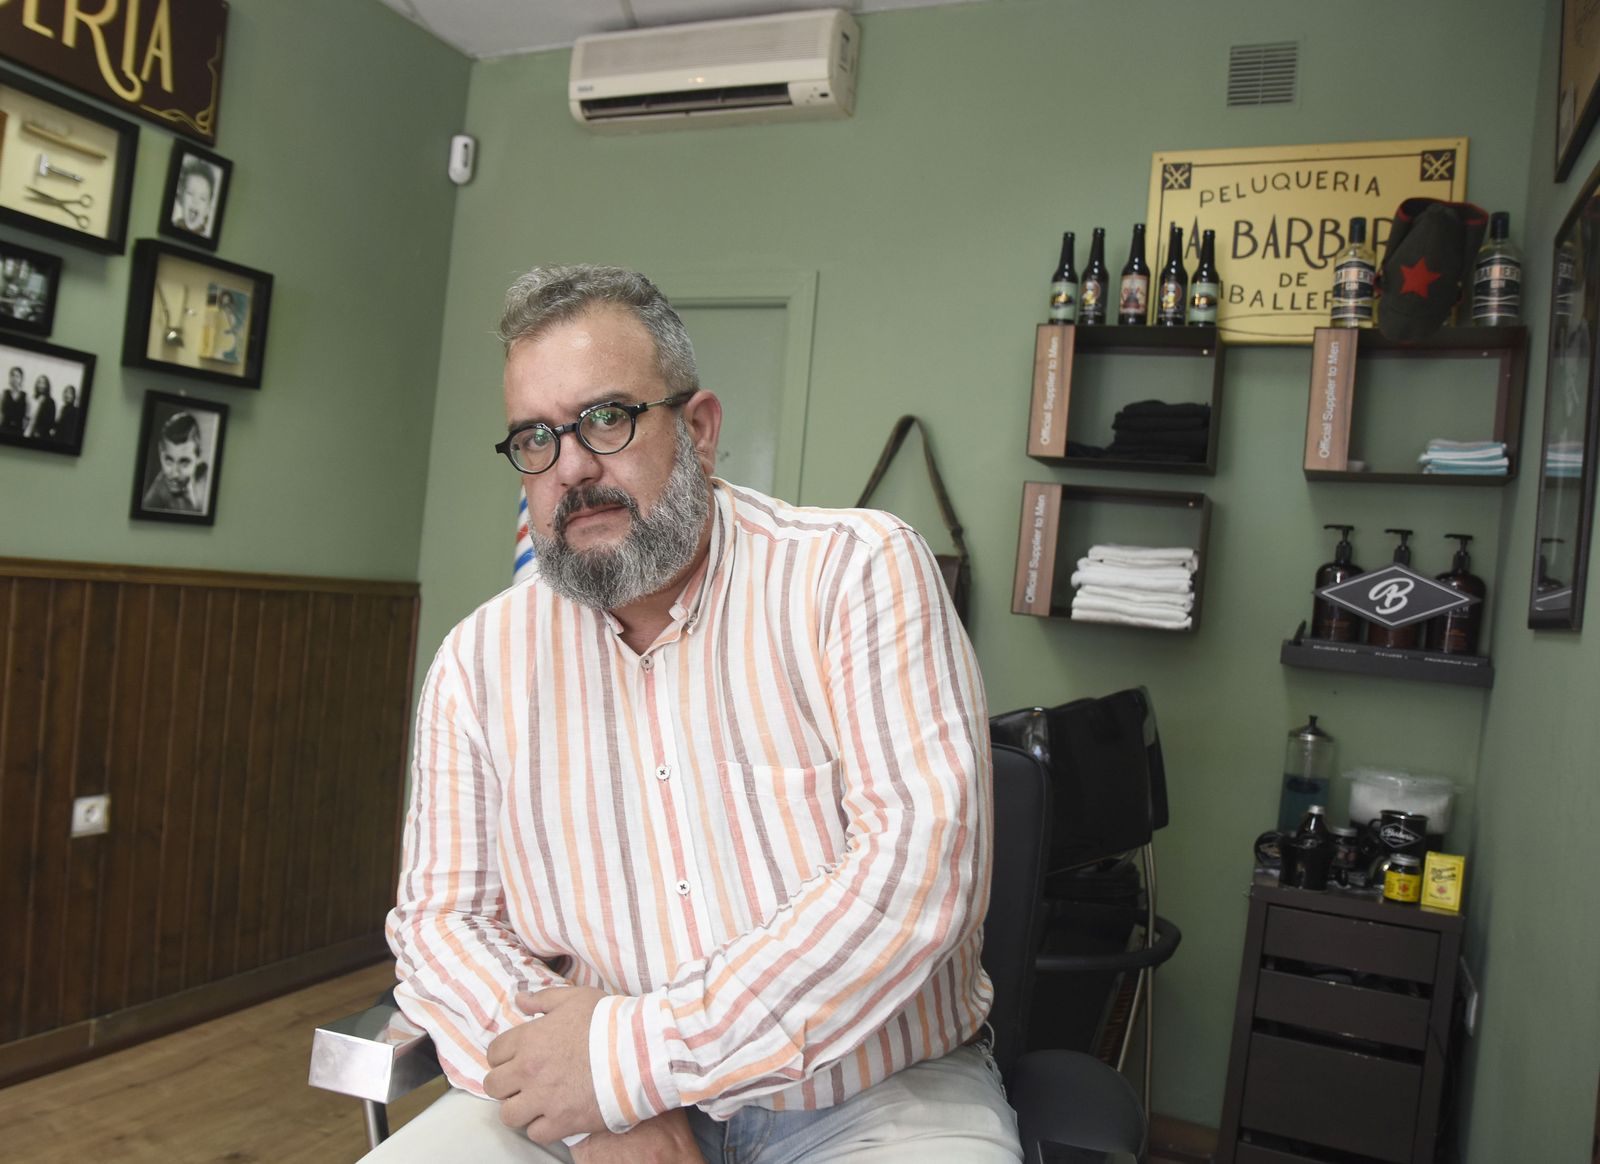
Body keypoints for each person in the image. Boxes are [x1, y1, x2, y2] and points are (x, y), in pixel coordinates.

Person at [381, 265, 1013, 1163]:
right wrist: (599, 1103)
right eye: (534, 437)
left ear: (700, 428)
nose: (571, 468)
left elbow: (915, 880)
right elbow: (442, 924)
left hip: (866, 1093)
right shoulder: (478, 663)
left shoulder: (858, 575)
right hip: (587, 1105)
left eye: (606, 418)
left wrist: (627, 1062)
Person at [142, 410, 208, 512]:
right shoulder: (159, 490)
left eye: (184, 462)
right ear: (160, 452)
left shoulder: (208, 479)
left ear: (198, 457)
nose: (174, 474)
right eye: (168, 460)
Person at [172, 156, 217, 236]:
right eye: (190, 193)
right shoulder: (173, 226)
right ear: (181, 196)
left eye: (202, 198)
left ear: (208, 208)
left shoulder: (205, 237)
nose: (195, 201)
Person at [26, 374, 55, 441]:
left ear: (47, 386)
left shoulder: (51, 402)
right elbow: (28, 416)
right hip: (29, 431)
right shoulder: (32, 398)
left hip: (42, 436)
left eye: (43, 383)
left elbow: (51, 422)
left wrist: (39, 431)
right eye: (39, 382)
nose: (41, 385)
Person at [0, 366, 25, 435]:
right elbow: (1, 413)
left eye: (17, 376)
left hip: (18, 430)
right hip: (4, 428)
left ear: (21, 379)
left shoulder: (25, 396)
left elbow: (27, 417)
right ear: (10, 378)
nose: (14, 378)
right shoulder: (4, 393)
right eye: (12, 375)